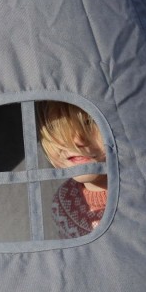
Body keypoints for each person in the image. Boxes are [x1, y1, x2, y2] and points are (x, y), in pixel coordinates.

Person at [36, 101, 107, 238]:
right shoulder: (64, 202)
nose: (76, 141)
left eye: (88, 122)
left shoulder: (143, 188)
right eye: (55, 128)